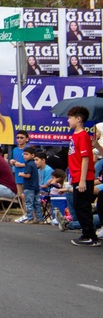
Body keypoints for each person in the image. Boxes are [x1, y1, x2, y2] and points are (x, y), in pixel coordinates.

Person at [66, 105, 99, 246]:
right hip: (76, 176)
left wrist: (82, 180)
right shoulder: (75, 135)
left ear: (78, 119)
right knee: (78, 206)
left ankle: (90, 235)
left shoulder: (83, 136)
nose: (68, 121)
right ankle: (87, 233)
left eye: (70, 118)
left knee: (83, 206)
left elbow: (85, 158)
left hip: (83, 177)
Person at [15, 147, 43, 224]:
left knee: (29, 203)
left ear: (32, 155)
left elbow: (28, 175)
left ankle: (30, 218)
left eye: (26, 154)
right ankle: (39, 219)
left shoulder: (29, 164)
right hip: (36, 186)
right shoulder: (34, 164)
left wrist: (21, 174)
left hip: (29, 187)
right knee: (37, 203)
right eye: (24, 154)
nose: (24, 156)